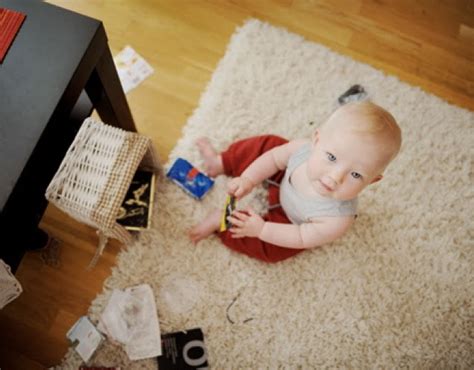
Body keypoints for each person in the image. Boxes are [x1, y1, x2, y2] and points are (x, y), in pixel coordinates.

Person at [188, 101, 402, 263]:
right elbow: (272, 159)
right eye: (332, 158)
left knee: (272, 251)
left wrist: (262, 230)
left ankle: (221, 223)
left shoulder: (338, 219)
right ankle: (222, 162)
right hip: (284, 180)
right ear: (316, 141)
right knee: (269, 146)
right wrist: (248, 179)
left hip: (291, 221)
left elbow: (301, 237)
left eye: (356, 175)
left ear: (373, 180)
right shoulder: (302, 151)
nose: (335, 178)